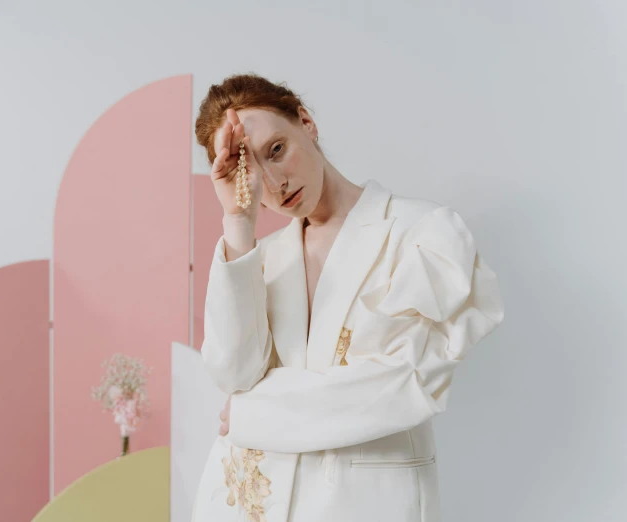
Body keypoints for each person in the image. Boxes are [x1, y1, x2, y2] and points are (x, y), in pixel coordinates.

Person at [190, 73, 504, 522]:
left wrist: (251, 415)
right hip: (249, 502)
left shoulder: (421, 234)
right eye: (249, 171)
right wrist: (238, 224)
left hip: (367, 504)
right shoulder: (260, 260)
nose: (274, 183)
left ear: (305, 121)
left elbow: (405, 383)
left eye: (276, 150)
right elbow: (233, 373)